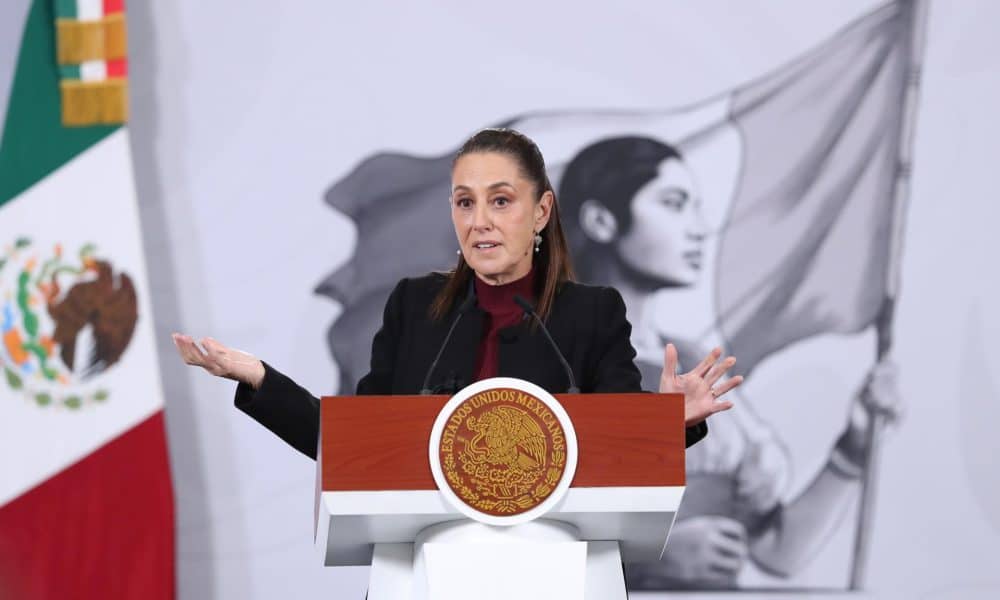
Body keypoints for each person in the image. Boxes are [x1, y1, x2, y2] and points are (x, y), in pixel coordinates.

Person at [171, 128, 740, 465]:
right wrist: (260, 379)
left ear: (541, 211)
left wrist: (675, 423)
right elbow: (352, 445)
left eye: (501, 201)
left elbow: (620, 452)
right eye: (465, 202)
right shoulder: (415, 308)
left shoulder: (592, 315)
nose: (479, 221)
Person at [558, 135, 902, 588]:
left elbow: (776, 550)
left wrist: (853, 449)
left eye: (696, 207)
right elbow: (492, 549)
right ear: (601, 221)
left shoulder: (695, 366)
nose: (700, 228)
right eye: (673, 204)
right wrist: (644, 560)